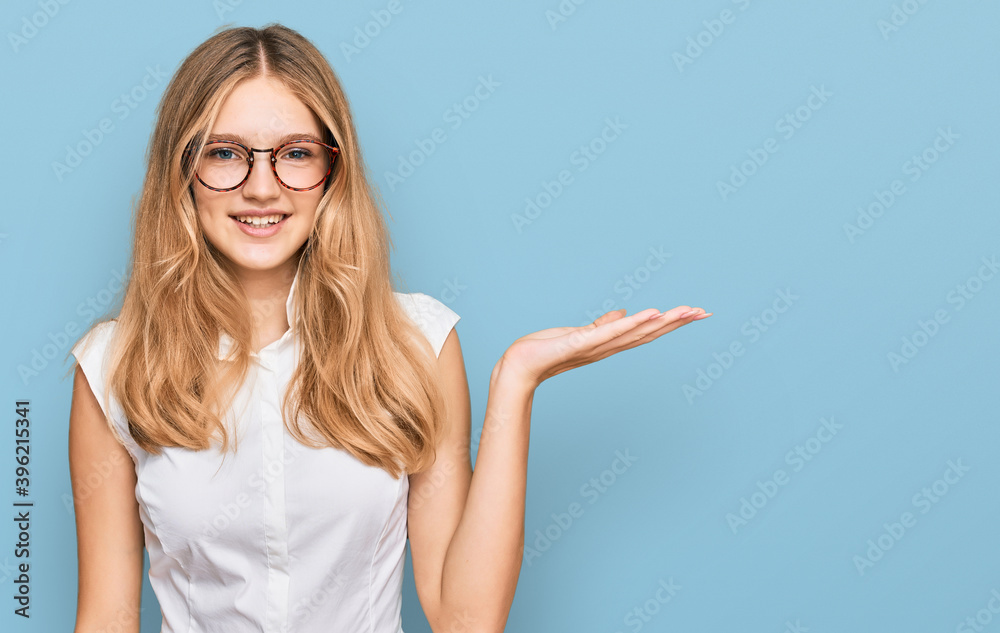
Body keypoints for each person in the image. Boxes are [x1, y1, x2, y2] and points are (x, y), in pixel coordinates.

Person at [66, 23, 712, 633]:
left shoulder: (417, 341)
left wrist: (516, 381)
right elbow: (105, 616)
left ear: (333, 172)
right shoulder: (112, 365)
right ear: (182, 172)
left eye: (295, 153)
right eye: (226, 153)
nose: (261, 187)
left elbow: (465, 619)